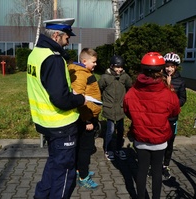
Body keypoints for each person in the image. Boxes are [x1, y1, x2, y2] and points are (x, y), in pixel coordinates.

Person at [27, 18, 86, 199]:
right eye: (67, 37)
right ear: (56, 35)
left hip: (44, 121)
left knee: (53, 164)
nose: (68, 42)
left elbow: (46, 87)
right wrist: (79, 99)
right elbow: (60, 99)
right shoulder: (53, 59)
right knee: (65, 173)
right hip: (61, 123)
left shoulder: (35, 54)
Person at [123, 52, 181, 199]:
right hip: (160, 139)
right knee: (156, 171)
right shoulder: (168, 93)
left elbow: (127, 111)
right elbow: (174, 111)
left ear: (143, 70)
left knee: (141, 170)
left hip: (140, 137)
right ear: (161, 71)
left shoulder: (132, 91)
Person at [68, 48, 102, 189]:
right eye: (93, 62)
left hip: (87, 116)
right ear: (84, 61)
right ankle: (83, 177)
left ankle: (79, 169)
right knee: (85, 149)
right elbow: (79, 98)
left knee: (81, 147)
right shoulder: (81, 74)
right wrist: (87, 120)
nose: (95, 64)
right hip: (86, 118)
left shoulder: (84, 72)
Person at [98, 55, 132, 161]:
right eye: (117, 67)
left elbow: (129, 87)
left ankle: (118, 149)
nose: (119, 69)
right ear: (112, 66)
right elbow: (99, 88)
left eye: (121, 67)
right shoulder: (105, 77)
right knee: (110, 130)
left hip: (121, 108)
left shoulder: (125, 77)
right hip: (109, 108)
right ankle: (108, 150)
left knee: (121, 130)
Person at [162, 52, 187, 179]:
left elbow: (183, 98)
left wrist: (174, 104)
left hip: (172, 117)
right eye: (167, 66)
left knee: (169, 143)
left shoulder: (180, 81)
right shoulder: (159, 78)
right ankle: (154, 165)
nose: (169, 69)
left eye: (172, 66)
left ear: (176, 67)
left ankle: (165, 165)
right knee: (158, 142)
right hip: (160, 117)